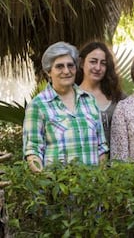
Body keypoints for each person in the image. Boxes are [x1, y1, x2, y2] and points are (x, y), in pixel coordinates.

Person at [23, 41, 109, 173]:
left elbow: (101, 147)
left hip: (92, 188)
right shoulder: (38, 105)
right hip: (58, 190)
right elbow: (33, 151)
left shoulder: (89, 100)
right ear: (48, 72)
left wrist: (100, 181)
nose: (66, 71)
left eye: (70, 65)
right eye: (59, 66)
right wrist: (46, 184)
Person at [75, 41, 126, 146]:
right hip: (84, 160)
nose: (98, 68)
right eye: (93, 61)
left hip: (117, 161)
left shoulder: (118, 97)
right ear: (81, 63)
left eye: (103, 63)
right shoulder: (72, 96)